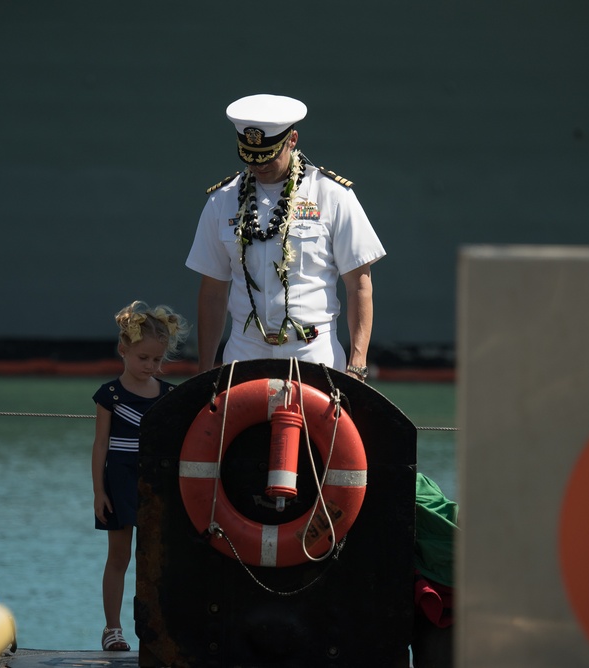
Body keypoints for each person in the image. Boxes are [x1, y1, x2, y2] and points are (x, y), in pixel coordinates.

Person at [186, 93, 385, 382]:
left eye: (268, 156)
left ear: (292, 140)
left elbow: (359, 284)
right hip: (245, 353)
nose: (259, 165)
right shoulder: (222, 200)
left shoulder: (332, 196)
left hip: (315, 355)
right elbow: (214, 291)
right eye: (250, 157)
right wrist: (205, 370)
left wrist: (356, 364)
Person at [91, 300, 187, 651]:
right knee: (119, 556)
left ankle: (157, 627)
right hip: (118, 478)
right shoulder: (110, 396)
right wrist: (98, 492)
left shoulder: (168, 396)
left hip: (155, 480)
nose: (151, 366)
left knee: (156, 555)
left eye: (158, 360)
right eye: (143, 358)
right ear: (124, 351)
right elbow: (101, 445)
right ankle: (112, 629)